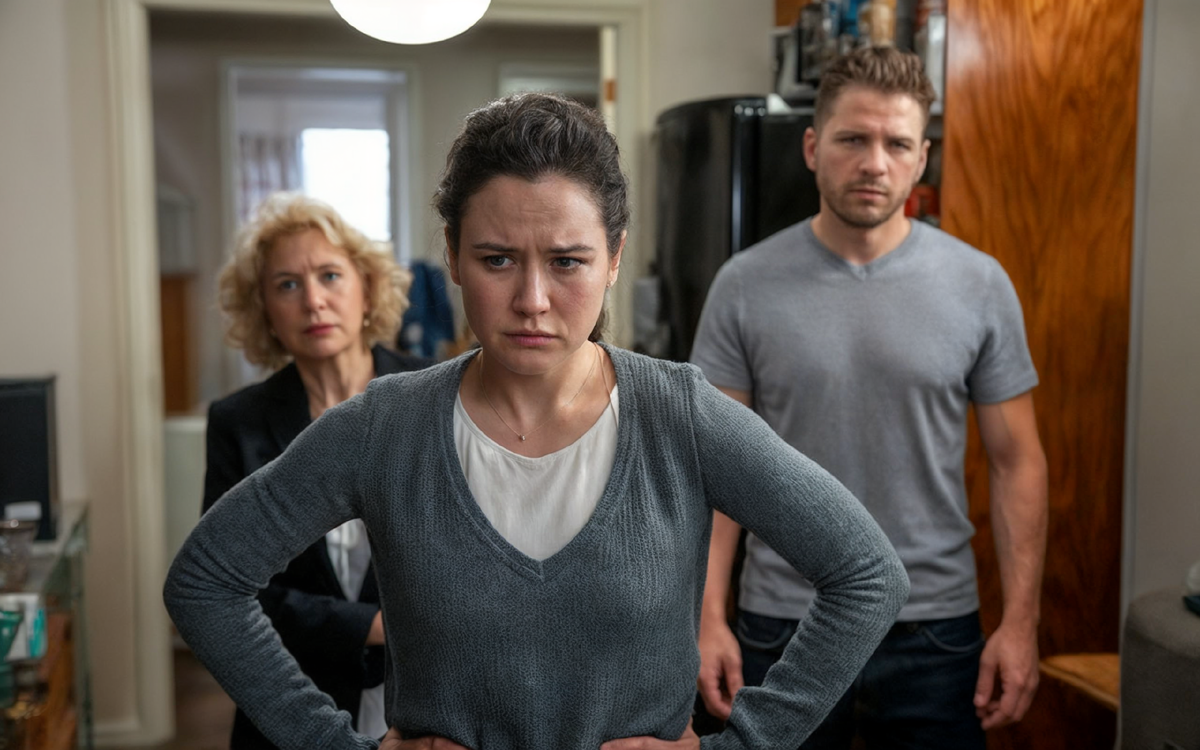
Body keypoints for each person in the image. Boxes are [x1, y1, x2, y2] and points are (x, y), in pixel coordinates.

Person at [164, 93, 909, 750]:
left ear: (614, 258)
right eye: (496, 260)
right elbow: (205, 582)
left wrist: (743, 745)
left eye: (567, 261)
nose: (532, 301)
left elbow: (866, 574)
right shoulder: (384, 427)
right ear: (452, 255)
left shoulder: (680, 417)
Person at [690, 47, 1049, 749]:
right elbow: (716, 470)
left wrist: (1021, 622)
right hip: (785, 623)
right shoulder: (744, 285)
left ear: (922, 159)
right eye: (853, 139)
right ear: (812, 147)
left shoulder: (980, 285)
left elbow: (1018, 463)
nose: (874, 163)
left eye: (897, 144)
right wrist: (706, 617)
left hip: (934, 630)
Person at [202, 192, 431, 749]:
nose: (313, 301)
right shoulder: (237, 423)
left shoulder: (435, 395)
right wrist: (371, 626)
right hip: (290, 710)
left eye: (330, 276)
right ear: (264, 310)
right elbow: (227, 584)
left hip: (429, 707)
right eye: (287, 285)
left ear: (367, 288)